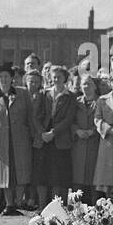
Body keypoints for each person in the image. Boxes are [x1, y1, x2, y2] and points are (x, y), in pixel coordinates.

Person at [0, 64, 36, 215]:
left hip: (20, 139)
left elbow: (30, 116)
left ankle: (18, 202)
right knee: (4, 173)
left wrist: (33, 136)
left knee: (20, 170)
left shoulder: (23, 93)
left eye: (7, 76)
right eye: (1, 77)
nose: (4, 80)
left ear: (12, 78)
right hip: (1, 141)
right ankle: (9, 204)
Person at [37, 65, 76, 203]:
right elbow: (36, 115)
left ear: (65, 78)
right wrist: (42, 132)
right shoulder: (44, 93)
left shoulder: (70, 96)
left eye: (59, 77)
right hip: (44, 138)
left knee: (59, 176)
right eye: (54, 77)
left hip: (61, 138)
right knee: (43, 173)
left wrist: (54, 132)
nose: (56, 79)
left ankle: (59, 206)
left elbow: (69, 118)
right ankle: (42, 206)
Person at [70, 73, 102, 204]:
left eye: (89, 84)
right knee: (77, 175)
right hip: (78, 143)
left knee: (93, 175)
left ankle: (94, 205)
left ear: (95, 86)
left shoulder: (101, 101)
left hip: (95, 143)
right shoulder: (75, 102)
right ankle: (76, 207)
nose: (86, 86)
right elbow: (69, 120)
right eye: (84, 84)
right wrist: (76, 130)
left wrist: (93, 131)